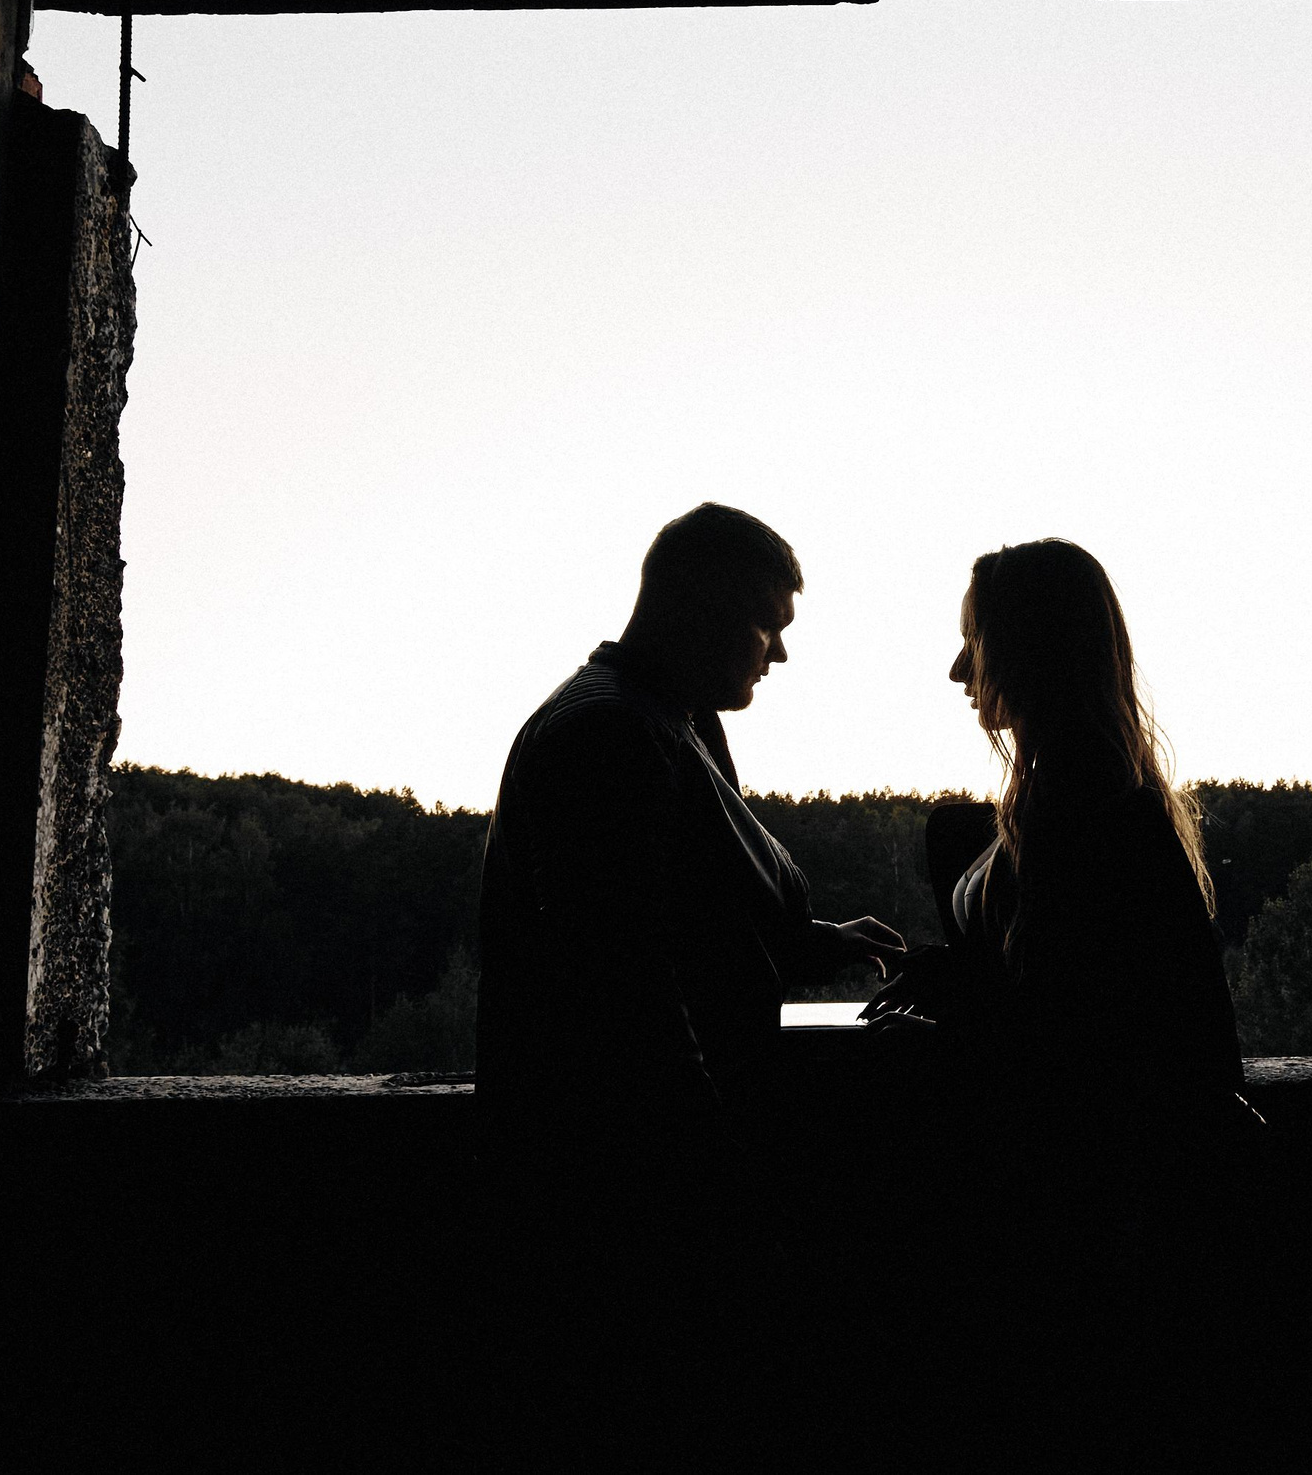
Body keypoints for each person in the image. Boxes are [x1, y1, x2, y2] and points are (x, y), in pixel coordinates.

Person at [472, 502, 902, 1451]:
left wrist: (813, 940)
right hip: (629, 1213)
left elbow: (685, 919)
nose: (778, 655)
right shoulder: (609, 737)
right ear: (699, 607)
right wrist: (723, 1200)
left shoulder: (667, 718)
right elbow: (628, 1003)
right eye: (766, 626)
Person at [864, 539, 1256, 1447]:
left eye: (976, 643)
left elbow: (1076, 1036)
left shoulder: (1082, 803)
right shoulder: (1073, 789)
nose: (958, 670)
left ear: (1029, 648)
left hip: (1094, 1213)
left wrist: (954, 1002)